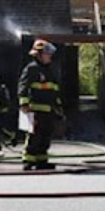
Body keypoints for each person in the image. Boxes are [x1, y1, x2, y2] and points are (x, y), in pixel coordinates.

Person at [18, 39, 63, 170]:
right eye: (47, 53)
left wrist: (58, 106)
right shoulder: (31, 69)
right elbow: (23, 87)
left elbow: (55, 89)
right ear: (38, 54)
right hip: (34, 109)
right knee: (35, 136)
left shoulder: (49, 70)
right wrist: (24, 104)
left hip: (48, 110)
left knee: (45, 135)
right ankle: (28, 159)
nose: (49, 56)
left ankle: (42, 160)